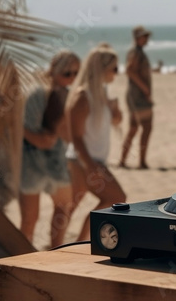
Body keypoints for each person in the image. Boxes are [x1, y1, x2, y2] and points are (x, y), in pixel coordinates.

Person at [65, 44, 126, 241]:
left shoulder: (100, 93)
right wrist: (90, 165)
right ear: (102, 68)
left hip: (90, 160)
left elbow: (110, 123)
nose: (117, 73)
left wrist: (116, 115)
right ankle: (80, 243)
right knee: (116, 198)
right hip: (83, 160)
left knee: (69, 207)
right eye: (114, 68)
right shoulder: (83, 95)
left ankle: (74, 244)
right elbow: (76, 136)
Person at [19, 51, 80, 248]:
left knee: (63, 206)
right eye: (67, 73)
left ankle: (55, 251)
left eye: (75, 74)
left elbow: (66, 136)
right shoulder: (39, 94)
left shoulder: (66, 94)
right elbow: (29, 131)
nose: (71, 78)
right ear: (54, 70)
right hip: (31, 162)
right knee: (30, 220)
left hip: (55, 162)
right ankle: (22, 260)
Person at [120, 26, 153, 169]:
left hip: (139, 96)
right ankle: (133, 161)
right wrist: (144, 88)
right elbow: (129, 70)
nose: (147, 39)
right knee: (140, 128)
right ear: (137, 38)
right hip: (137, 96)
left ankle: (136, 161)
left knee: (140, 128)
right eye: (144, 36)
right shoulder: (135, 53)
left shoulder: (138, 52)